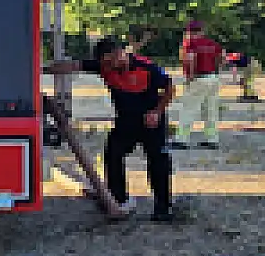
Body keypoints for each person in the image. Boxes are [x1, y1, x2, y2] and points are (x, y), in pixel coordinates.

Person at [44, 36, 176, 222]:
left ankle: (163, 207)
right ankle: (118, 199)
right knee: (113, 155)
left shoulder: (146, 68)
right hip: (125, 121)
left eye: (108, 62)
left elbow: (170, 88)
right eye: (103, 63)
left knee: (158, 161)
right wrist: (41, 69)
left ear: (118, 54)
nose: (106, 67)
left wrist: (157, 111)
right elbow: (72, 66)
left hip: (151, 121)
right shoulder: (102, 65)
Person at [176, 21, 225, 148]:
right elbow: (222, 58)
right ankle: (212, 139)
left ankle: (181, 139)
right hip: (213, 78)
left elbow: (191, 58)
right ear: (202, 31)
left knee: (189, 108)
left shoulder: (190, 43)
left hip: (199, 77)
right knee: (211, 110)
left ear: (189, 32)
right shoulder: (212, 43)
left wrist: (190, 76)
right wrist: (216, 71)